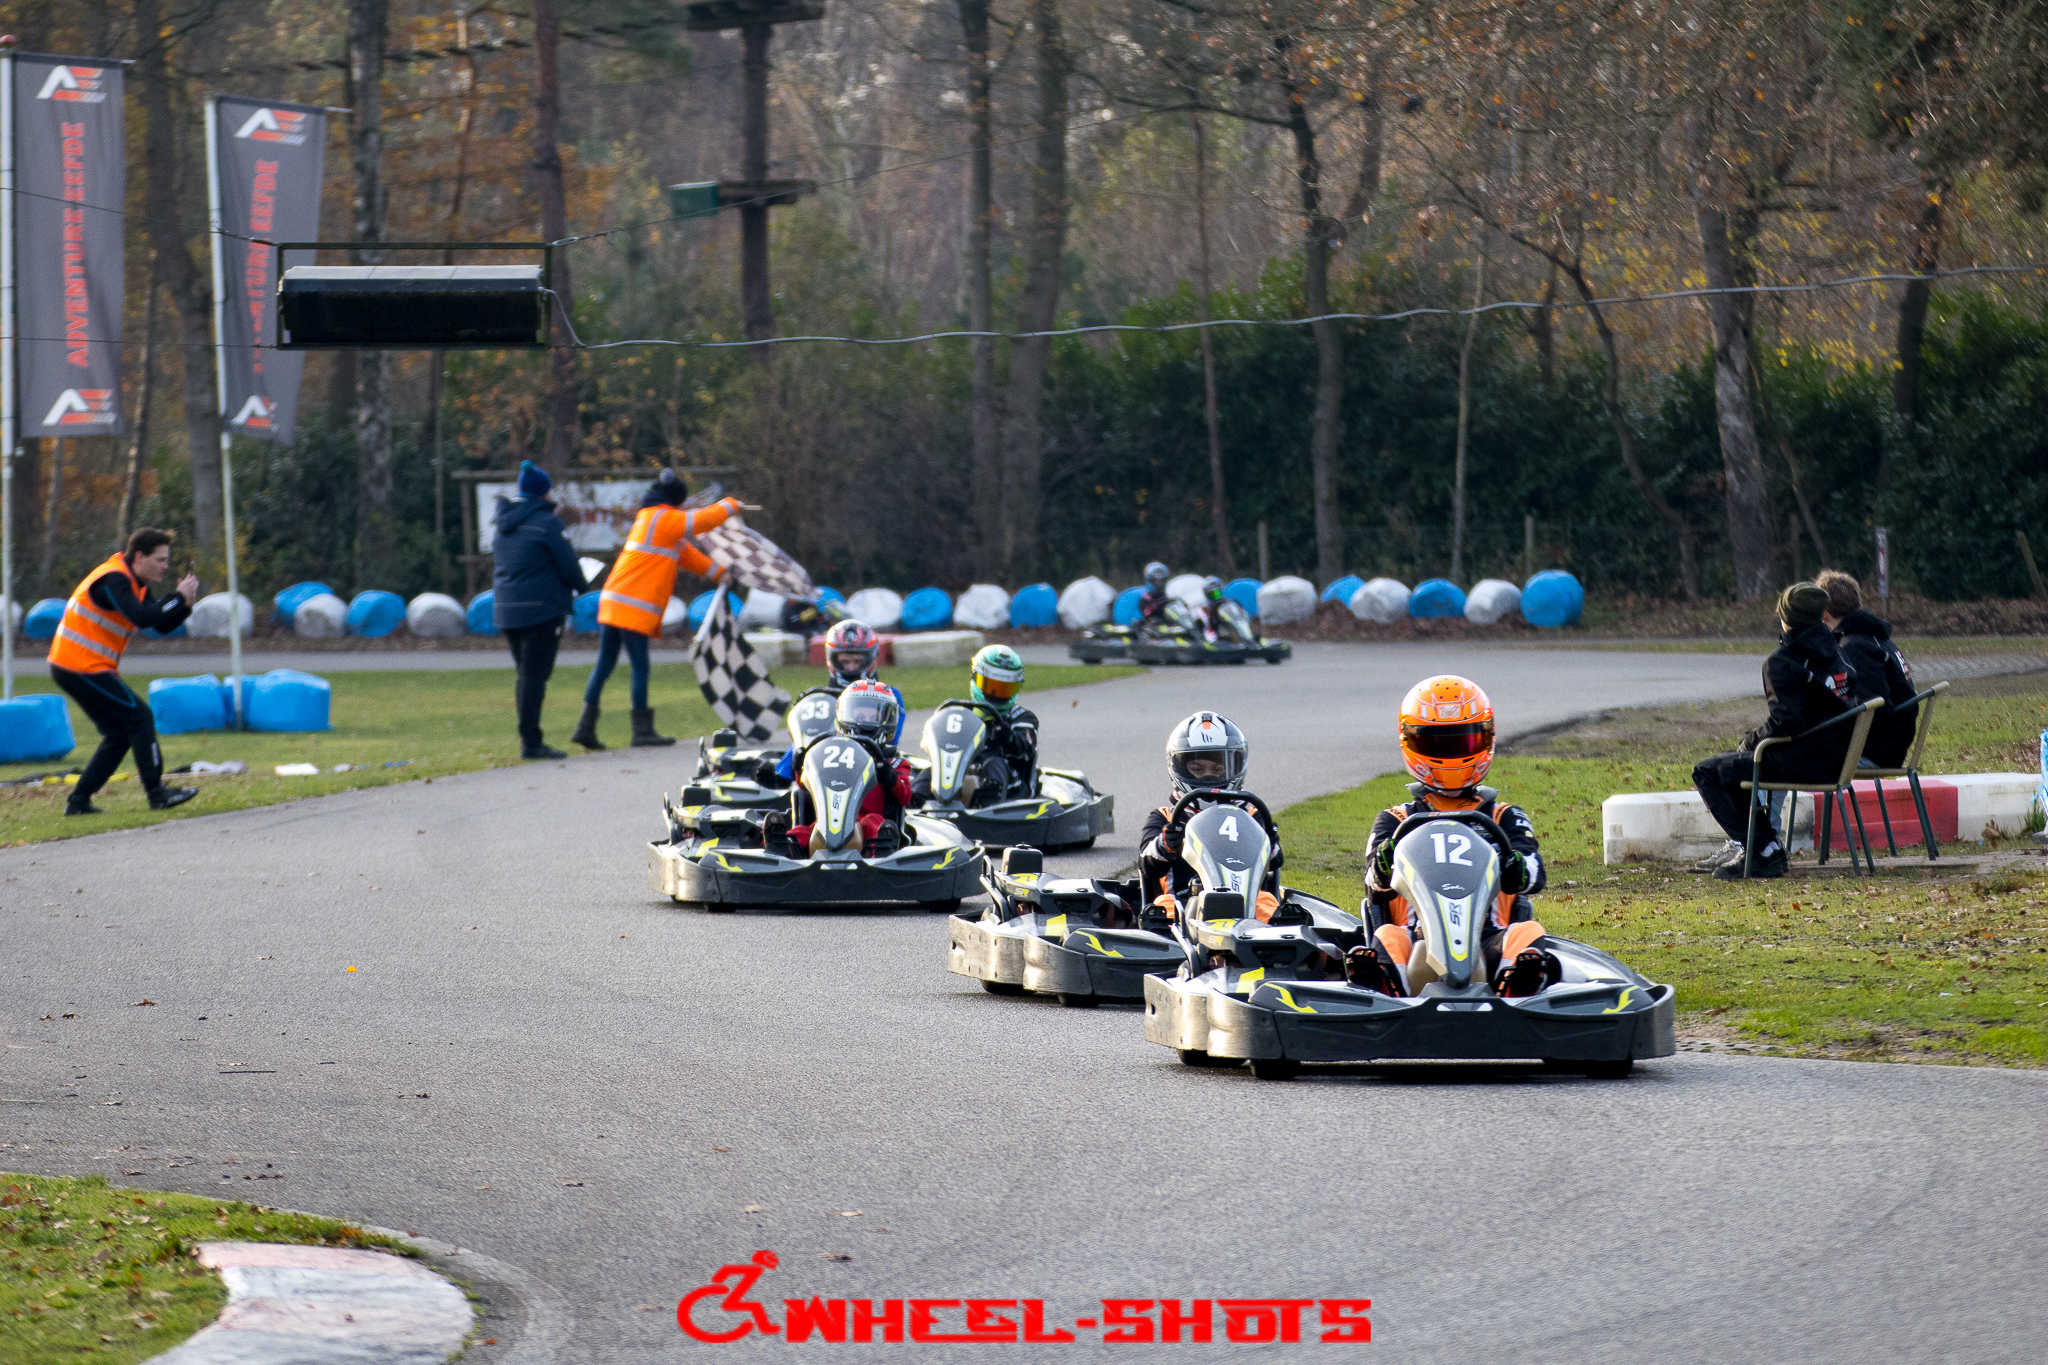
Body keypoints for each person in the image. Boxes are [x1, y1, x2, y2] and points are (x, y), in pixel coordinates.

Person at [1350, 676, 1552, 997]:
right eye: (1437, 745)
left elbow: (1534, 873)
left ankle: (1515, 988)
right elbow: (1374, 889)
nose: (1451, 756)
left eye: (1463, 744)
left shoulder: (1504, 817)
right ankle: (1384, 989)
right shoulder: (1395, 820)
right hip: (1416, 939)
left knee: (1527, 932)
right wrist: (1383, 867)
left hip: (1488, 940)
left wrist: (1518, 869)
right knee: (1389, 935)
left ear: (1486, 739)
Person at [1690, 583, 1859, 880]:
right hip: (1839, 760)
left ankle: (1762, 851)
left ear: (1786, 618)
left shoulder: (1782, 661)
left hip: (1804, 763)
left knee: (1707, 772)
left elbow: (1786, 722)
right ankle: (1767, 848)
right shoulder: (1839, 652)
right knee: (1731, 764)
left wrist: (1750, 741)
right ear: (1820, 616)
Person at [573, 470, 743, 751]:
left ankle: (585, 726)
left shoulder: (651, 519)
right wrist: (730, 505)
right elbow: (700, 521)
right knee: (640, 667)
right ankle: (642, 730)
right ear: (675, 501)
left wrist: (720, 574)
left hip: (613, 601)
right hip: (632, 607)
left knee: (604, 665)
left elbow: (688, 556)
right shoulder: (664, 518)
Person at [46, 528, 201, 816]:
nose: (166, 566)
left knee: (119, 734)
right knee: (140, 718)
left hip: (84, 666)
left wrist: (185, 605)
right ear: (139, 557)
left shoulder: (137, 583)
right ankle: (157, 794)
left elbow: (160, 624)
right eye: (161, 559)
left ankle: (78, 802)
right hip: (78, 665)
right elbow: (141, 617)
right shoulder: (114, 579)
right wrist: (177, 597)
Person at [1138, 712, 1285, 924]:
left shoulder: (1252, 816)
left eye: (1218, 770)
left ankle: (1280, 938)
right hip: (1184, 903)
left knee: (1266, 902)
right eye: (1198, 769)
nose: (1208, 776)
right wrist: (1165, 844)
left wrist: (1269, 842)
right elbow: (1146, 864)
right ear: (1178, 767)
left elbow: (1275, 861)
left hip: (1246, 903)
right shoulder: (1165, 817)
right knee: (1163, 907)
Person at [491, 460, 588, 760]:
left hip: (507, 608)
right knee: (534, 677)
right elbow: (568, 565)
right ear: (544, 493)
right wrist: (582, 586)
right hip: (540, 610)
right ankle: (531, 743)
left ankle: (529, 739)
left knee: (525, 675)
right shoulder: (547, 523)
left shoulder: (503, 523)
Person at [760, 620, 903, 788]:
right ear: (832, 659)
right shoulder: (820, 697)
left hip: (871, 761)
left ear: (871, 658)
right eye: (844, 661)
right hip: (822, 758)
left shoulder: (889, 696)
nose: (850, 668)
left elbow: (890, 740)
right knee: (807, 737)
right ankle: (782, 777)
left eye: (857, 661)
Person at [786, 681, 916, 855]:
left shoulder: (893, 762)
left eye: (874, 717)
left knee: (873, 823)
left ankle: (880, 850)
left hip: (871, 823)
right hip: (829, 822)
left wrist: (887, 774)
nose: (866, 722)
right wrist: (799, 767)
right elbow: (805, 786)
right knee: (804, 832)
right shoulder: (829, 753)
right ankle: (784, 846)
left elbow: (905, 796)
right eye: (860, 716)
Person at [1816, 568, 1918, 768]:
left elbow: (1873, 706)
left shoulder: (1855, 647)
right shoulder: (1876, 637)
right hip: (1889, 744)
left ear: (1825, 615)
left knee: (1791, 764)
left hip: (1874, 751)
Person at [965, 644, 1038, 802]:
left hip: (1011, 786)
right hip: (962, 772)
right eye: (992, 687)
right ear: (976, 677)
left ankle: (990, 805)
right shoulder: (961, 713)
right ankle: (917, 803)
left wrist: (1008, 737)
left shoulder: (1023, 717)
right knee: (932, 770)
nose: (997, 695)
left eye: (1004, 689)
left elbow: (1025, 747)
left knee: (993, 764)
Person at [1134, 561, 1173, 626]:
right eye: (1155, 581)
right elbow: (1145, 617)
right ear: (1149, 580)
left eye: (1162, 581)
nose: (1159, 584)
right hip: (1153, 629)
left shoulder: (1169, 598)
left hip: (1169, 628)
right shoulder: (1145, 599)